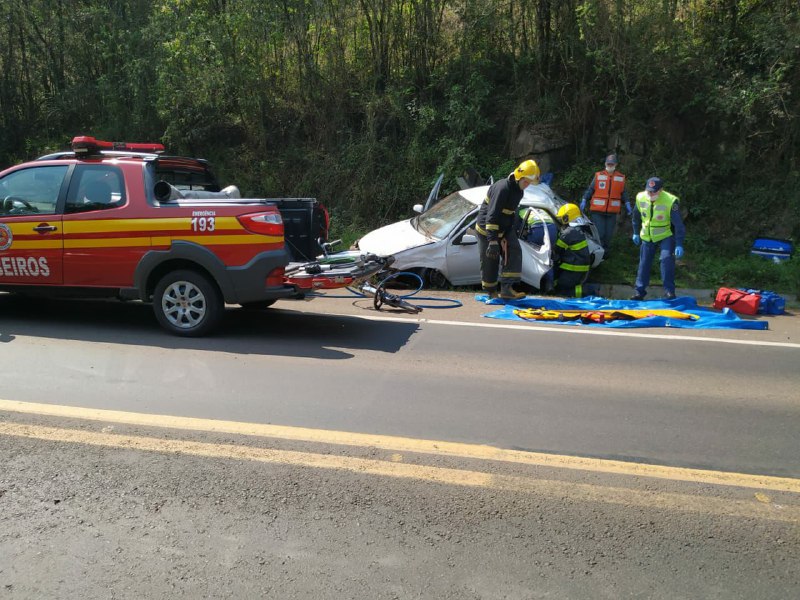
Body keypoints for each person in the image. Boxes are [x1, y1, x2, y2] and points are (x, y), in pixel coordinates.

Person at [476, 159, 541, 300]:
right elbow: (492, 215)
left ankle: (507, 289)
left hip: (503, 228)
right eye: (526, 182)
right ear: (519, 177)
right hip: (487, 230)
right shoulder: (502, 188)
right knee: (490, 260)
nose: (527, 185)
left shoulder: (519, 191)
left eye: (530, 183)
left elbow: (510, 213)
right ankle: (491, 292)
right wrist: (493, 241)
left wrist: (509, 230)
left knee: (514, 250)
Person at [630, 177, 685, 300]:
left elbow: (679, 225)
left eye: (654, 192)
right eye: (649, 191)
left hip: (665, 235)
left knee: (666, 260)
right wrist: (635, 232)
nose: (650, 194)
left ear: (661, 190)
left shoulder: (671, 201)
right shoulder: (640, 197)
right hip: (647, 235)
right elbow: (635, 217)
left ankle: (669, 292)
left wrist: (679, 244)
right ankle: (639, 292)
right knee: (644, 263)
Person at [580, 154, 631, 257]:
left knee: (608, 235)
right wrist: (584, 199)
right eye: (608, 163)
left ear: (616, 164)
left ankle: (605, 254)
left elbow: (623, 193)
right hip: (598, 211)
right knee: (600, 233)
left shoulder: (620, 178)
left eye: (612, 164)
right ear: (605, 163)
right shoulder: (599, 175)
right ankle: (598, 253)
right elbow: (591, 189)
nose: (610, 165)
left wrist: (627, 203)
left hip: (612, 211)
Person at [553, 203, 592, 297]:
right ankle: (580, 294)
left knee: (561, 288)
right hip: (581, 267)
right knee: (573, 286)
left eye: (562, 218)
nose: (561, 221)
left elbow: (557, 250)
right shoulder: (579, 229)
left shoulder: (568, 232)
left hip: (572, 268)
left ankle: (584, 293)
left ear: (567, 217)